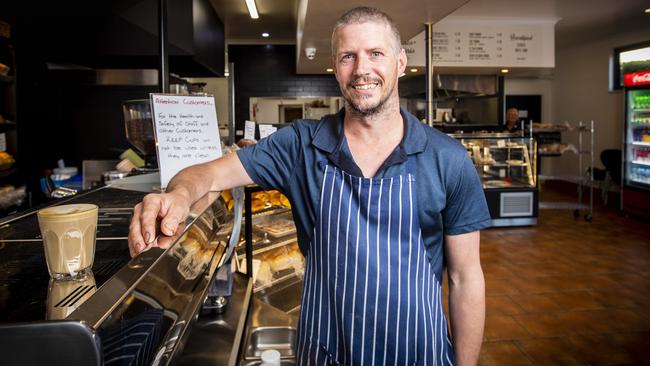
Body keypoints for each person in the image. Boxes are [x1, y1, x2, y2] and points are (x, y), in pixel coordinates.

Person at [128, 7, 490, 366]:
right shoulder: (300, 145)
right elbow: (207, 174)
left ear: (399, 62)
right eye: (349, 56)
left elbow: (465, 278)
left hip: (419, 352)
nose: (362, 69)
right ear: (336, 67)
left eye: (375, 54)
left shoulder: (449, 159)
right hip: (326, 351)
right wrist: (178, 194)